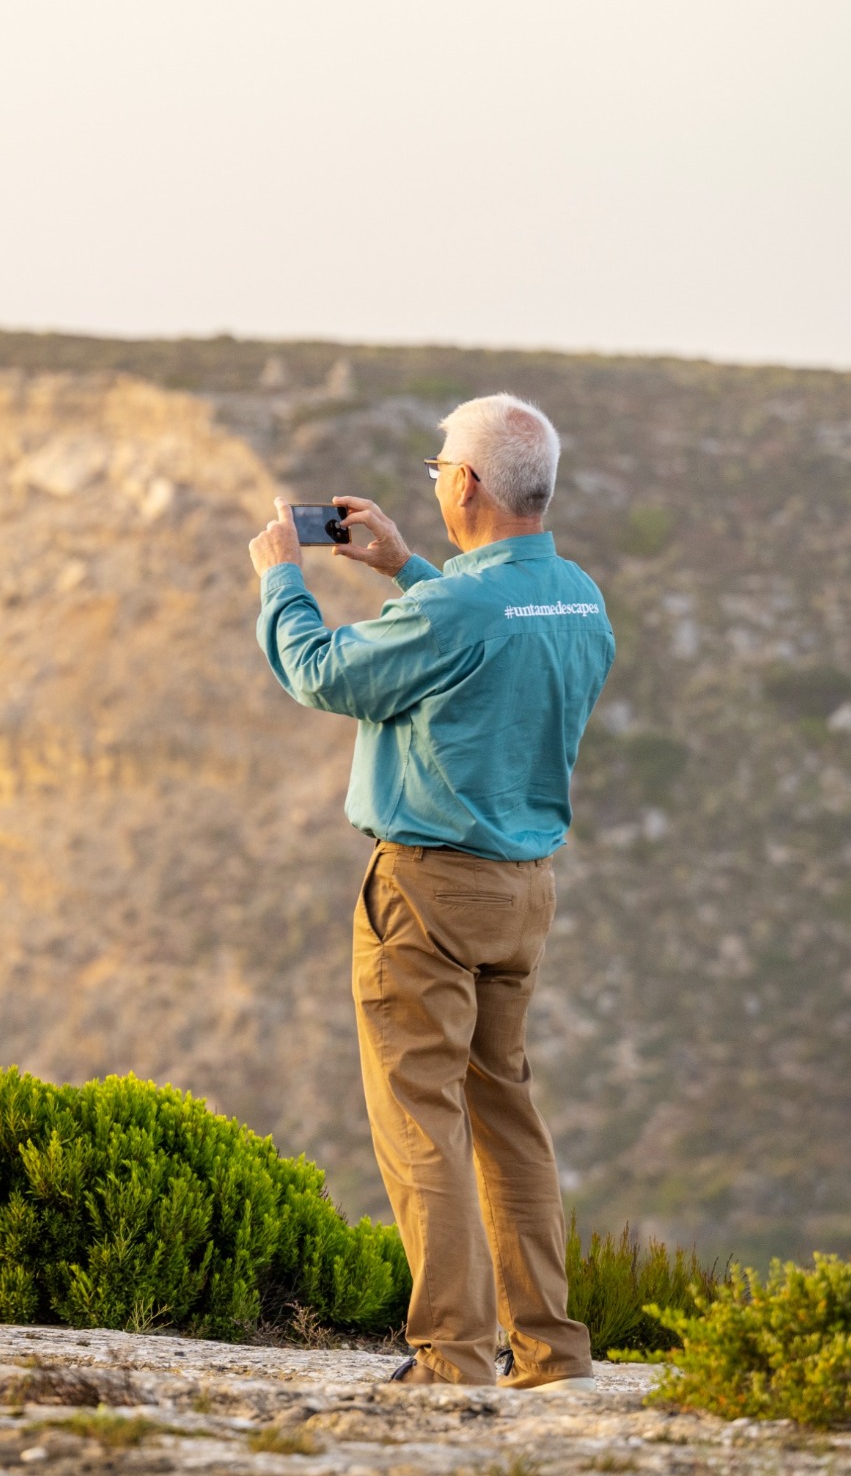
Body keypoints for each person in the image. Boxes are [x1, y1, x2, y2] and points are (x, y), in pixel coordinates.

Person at [249, 393, 615, 1392]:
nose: (437, 479)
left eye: (438, 466)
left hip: (430, 892)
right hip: (524, 891)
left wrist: (284, 577)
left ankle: (452, 1356)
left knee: (421, 1117)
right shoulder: (578, 596)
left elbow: (320, 672)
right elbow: (479, 643)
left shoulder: (458, 608)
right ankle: (551, 1348)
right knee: (508, 1117)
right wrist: (403, 565)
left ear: (468, 485)